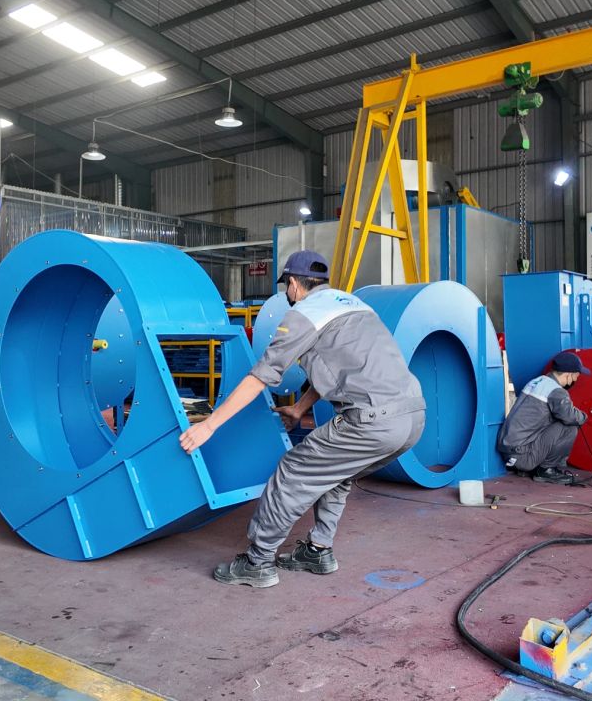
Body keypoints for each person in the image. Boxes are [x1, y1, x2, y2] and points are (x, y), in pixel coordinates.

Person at [179, 250, 426, 588]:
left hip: (372, 420)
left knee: (292, 471)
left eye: (287, 288)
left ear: (293, 284)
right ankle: (318, 551)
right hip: (412, 416)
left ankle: (257, 562)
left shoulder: (302, 314)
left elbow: (261, 376)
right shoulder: (354, 305)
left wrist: (208, 425)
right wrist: (298, 409)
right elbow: (343, 369)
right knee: (338, 474)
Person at [497, 351, 592, 485]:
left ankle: (533, 467)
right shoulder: (556, 391)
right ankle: (546, 470)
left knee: (555, 422)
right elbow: (570, 417)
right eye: (576, 376)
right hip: (521, 455)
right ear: (569, 374)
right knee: (569, 428)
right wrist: (584, 416)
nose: (576, 380)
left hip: (509, 451)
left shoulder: (537, 381)